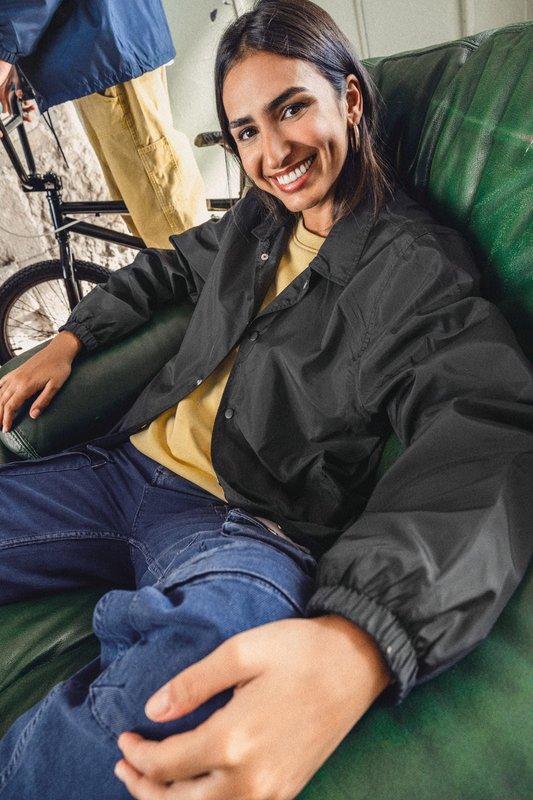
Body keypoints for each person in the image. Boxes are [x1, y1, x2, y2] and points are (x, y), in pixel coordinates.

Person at [0, 0, 532, 797]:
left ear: (348, 99)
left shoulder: (415, 267)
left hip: (240, 521)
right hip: (119, 468)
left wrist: (362, 637)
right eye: (245, 130)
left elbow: (482, 431)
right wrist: (72, 337)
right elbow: (167, 266)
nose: (272, 153)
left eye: (290, 109)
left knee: (194, 672)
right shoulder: (257, 219)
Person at [0, 0, 208, 247]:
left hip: (105, 49)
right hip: (107, 42)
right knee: (155, 218)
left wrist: (5, 51)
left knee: (168, 222)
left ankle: (212, 272)